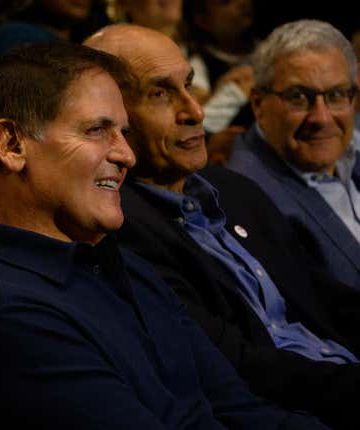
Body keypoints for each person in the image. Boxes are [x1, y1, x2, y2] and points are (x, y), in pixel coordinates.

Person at [0, 41, 327, 429]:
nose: (127, 155)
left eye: (122, 131)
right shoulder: (8, 319)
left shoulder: (119, 263)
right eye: (97, 130)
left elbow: (240, 405)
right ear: (12, 144)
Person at [86, 23, 360, 429]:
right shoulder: (119, 228)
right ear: (108, 119)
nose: (195, 111)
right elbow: (237, 365)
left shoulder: (231, 188)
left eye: (189, 86)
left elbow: (319, 293)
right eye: (160, 93)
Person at [227, 19, 360, 290]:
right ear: (258, 104)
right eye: (299, 97)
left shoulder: (352, 139)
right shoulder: (248, 198)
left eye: (335, 95)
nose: (321, 117)